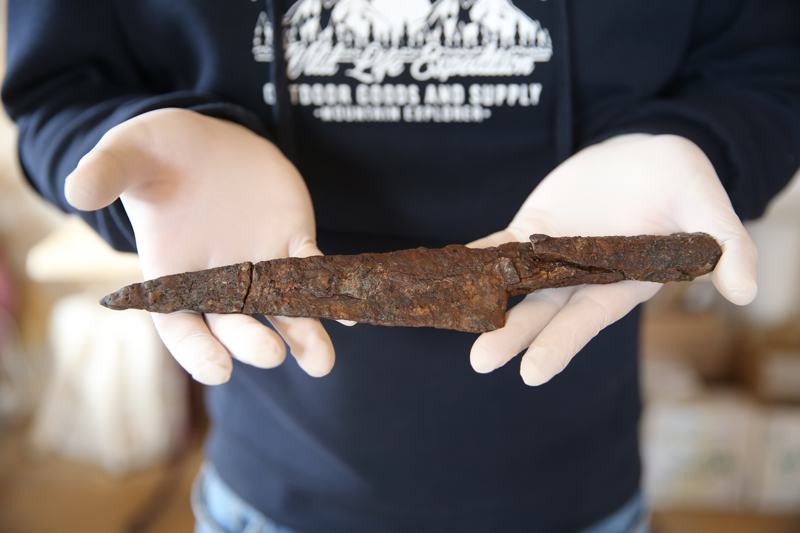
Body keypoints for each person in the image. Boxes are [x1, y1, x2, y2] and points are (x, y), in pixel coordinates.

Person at [4, 1, 800, 531]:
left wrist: (699, 145)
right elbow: (62, 85)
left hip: (578, 487)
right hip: (274, 486)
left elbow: (768, 71)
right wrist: (142, 146)